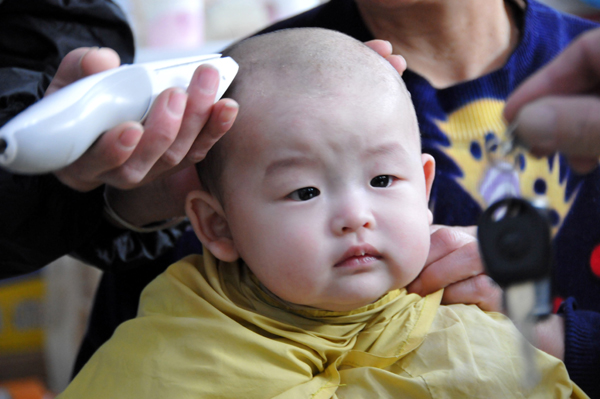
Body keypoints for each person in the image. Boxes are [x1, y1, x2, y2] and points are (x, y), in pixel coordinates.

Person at [67, 1, 600, 396]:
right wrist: (131, 203)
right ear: (215, 226)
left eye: (384, 181)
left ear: (425, 183)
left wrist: (548, 339)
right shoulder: (231, 97)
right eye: (304, 192)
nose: (355, 218)